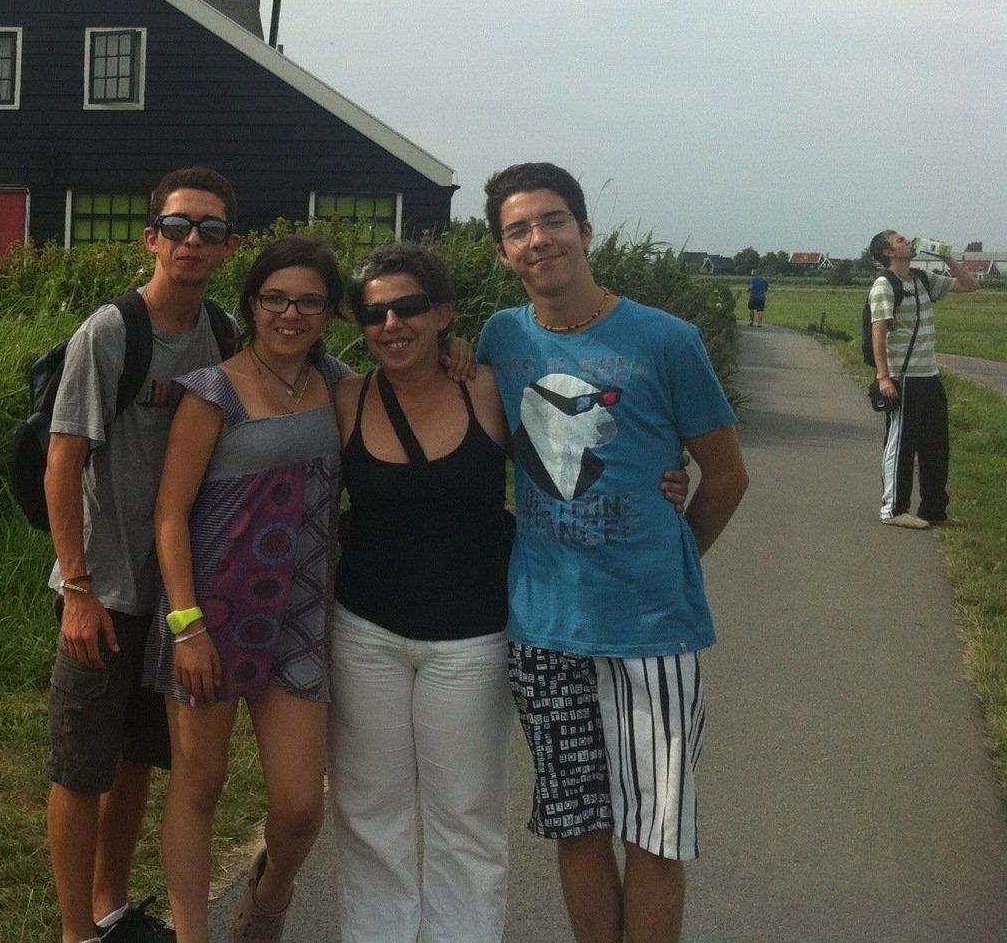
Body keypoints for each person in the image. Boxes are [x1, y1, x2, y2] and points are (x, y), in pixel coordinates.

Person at [326, 242, 688, 942]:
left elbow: (577, 451)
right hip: (366, 632)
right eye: (373, 313)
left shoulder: (488, 387)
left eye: (408, 307)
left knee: (465, 816)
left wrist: (666, 480)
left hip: (473, 636)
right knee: (370, 812)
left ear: (443, 313)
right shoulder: (345, 397)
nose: (391, 324)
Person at [477, 162, 749, 943]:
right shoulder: (500, 337)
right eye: (519, 230)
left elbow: (727, 474)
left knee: (654, 833)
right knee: (578, 826)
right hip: (544, 629)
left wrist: (675, 552)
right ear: (503, 252)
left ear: (585, 231)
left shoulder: (668, 340)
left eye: (552, 221)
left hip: (649, 630)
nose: (538, 239)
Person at [45, 167, 241, 943]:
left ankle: (111, 906)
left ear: (229, 247)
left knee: (135, 759)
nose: (194, 241)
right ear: (150, 237)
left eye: (210, 230)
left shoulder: (222, 333)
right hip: (103, 588)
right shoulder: (111, 331)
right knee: (80, 766)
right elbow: (62, 462)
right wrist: (78, 589)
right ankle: (75, 932)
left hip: (172, 593)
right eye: (179, 226)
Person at [148, 236, 350, 943]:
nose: (291, 314)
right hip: (212, 614)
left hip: (299, 617)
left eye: (309, 302)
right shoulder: (212, 390)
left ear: (329, 312)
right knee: (199, 785)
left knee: (299, 806)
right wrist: (186, 625)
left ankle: (269, 895)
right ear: (252, 305)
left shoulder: (341, 384)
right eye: (276, 299)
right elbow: (169, 512)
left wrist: (454, 352)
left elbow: (416, 389)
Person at [867, 230, 980, 529]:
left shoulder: (921, 279)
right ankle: (893, 510)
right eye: (900, 241)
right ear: (888, 253)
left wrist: (946, 256)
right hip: (903, 377)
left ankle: (933, 510)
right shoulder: (884, 285)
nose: (908, 242)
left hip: (929, 374)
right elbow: (878, 331)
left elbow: (970, 285)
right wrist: (883, 377)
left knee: (935, 445)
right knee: (901, 444)